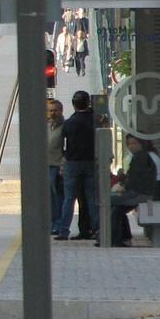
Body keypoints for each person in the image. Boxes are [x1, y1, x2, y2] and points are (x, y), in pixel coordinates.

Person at [55, 90, 99, 241]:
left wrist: (66, 156)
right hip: (91, 162)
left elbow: (61, 144)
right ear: (88, 103)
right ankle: (97, 229)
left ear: (73, 104)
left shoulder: (69, 123)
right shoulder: (95, 121)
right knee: (91, 198)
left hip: (72, 163)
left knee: (69, 199)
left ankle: (63, 231)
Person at [108, 134, 160, 247]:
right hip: (147, 191)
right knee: (117, 207)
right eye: (129, 144)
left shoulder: (142, 157)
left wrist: (123, 184)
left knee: (109, 201)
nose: (131, 147)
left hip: (143, 193)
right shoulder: (147, 155)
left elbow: (135, 180)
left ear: (142, 144)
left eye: (134, 143)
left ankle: (115, 238)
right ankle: (122, 237)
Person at [46, 99, 66, 237]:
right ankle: (52, 224)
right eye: (50, 111)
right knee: (49, 198)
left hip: (57, 166)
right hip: (46, 166)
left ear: (61, 111)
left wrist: (62, 165)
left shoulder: (65, 127)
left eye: (55, 110)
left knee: (58, 197)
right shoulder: (46, 126)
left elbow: (67, 147)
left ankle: (59, 224)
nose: (53, 113)